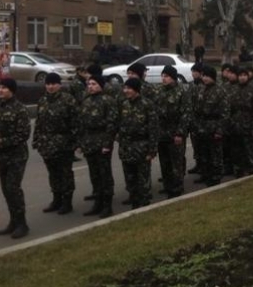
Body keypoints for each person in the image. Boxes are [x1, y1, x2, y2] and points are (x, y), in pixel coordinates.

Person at [0, 78, 31, 239]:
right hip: (0, 156)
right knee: (6, 190)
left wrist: (3, 141)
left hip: (16, 156)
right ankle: (13, 221)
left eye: (4, 88)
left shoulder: (20, 109)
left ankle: (22, 224)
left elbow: (23, 134)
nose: (0, 90)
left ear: (12, 90)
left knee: (13, 189)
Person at [33, 72, 79, 215]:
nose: (50, 87)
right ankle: (56, 199)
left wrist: (74, 142)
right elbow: (39, 122)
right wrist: (37, 140)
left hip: (63, 143)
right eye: (48, 84)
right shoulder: (42, 101)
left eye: (53, 84)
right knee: (53, 173)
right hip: (46, 144)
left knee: (65, 173)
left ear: (59, 85)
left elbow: (76, 122)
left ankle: (67, 202)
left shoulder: (68, 100)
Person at [78, 74, 118, 218]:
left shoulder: (108, 101)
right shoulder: (86, 101)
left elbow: (111, 124)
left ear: (101, 85)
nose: (91, 86)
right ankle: (98, 203)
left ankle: (107, 205)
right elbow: (81, 124)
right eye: (89, 84)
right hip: (89, 142)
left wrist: (107, 143)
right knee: (94, 175)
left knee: (104, 175)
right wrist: (81, 143)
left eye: (94, 84)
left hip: (102, 142)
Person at [117, 77, 159, 209]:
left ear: (136, 90)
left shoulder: (147, 105)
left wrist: (151, 150)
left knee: (143, 180)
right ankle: (134, 203)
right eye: (125, 88)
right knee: (130, 179)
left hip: (141, 148)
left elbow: (153, 129)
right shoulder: (124, 104)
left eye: (129, 88)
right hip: (126, 149)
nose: (126, 91)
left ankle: (144, 206)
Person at [191, 65, 228, 187]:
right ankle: (205, 175)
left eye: (208, 76)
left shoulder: (220, 91)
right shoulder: (201, 89)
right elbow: (196, 108)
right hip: (202, 127)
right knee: (204, 153)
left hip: (214, 126)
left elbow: (225, 113)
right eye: (204, 76)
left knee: (215, 154)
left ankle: (216, 176)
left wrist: (219, 130)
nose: (205, 78)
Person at [156, 65, 190, 199]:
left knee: (176, 162)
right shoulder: (160, 91)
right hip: (162, 133)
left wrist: (180, 133)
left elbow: (185, 114)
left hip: (175, 132)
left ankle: (177, 187)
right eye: (162, 76)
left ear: (173, 78)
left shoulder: (181, 92)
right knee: (165, 162)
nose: (164, 79)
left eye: (167, 76)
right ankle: (167, 185)